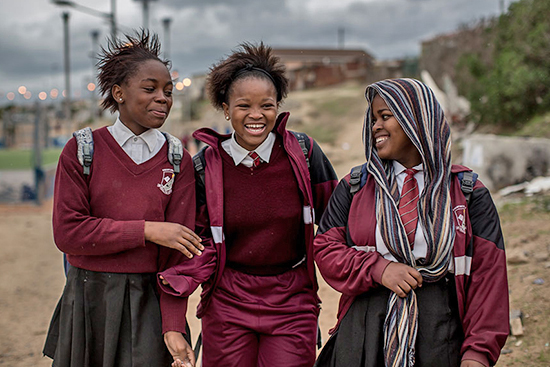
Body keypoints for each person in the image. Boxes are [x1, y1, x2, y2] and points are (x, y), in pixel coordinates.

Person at [157, 42, 338, 367]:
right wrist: (173, 318)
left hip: (292, 298)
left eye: (266, 105)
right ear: (225, 109)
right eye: (243, 105)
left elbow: (338, 224)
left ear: (278, 106)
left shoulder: (305, 155)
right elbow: (190, 246)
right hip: (227, 299)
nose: (256, 115)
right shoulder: (204, 169)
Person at [313, 78, 509, 367]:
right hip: (364, 332)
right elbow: (326, 249)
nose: (375, 126)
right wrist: (380, 269)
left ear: (416, 120)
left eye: (385, 116)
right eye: (373, 118)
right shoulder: (356, 186)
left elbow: (488, 277)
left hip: (439, 331)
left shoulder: (466, 192)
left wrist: (478, 353)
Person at [43, 31, 203, 367]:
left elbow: (179, 257)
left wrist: (174, 325)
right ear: (119, 93)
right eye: (150, 88)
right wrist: (147, 230)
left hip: (150, 303)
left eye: (168, 91)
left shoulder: (177, 159)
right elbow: (69, 234)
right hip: (88, 297)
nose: (163, 98)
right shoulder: (82, 150)